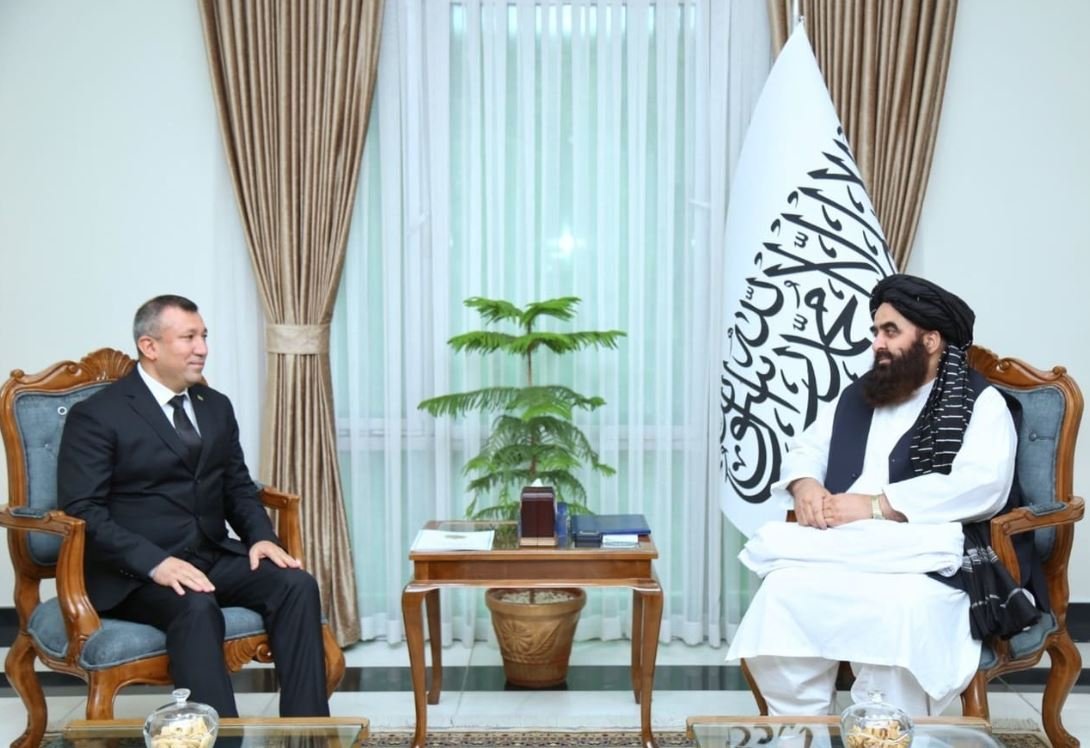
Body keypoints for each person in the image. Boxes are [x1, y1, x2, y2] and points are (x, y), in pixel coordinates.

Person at [726, 274, 1027, 716]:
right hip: (845, 543)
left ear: (930, 340)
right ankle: (800, 729)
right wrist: (805, 484)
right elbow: (808, 447)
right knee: (782, 592)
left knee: (899, 609)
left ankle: (885, 731)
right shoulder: (862, 394)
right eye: (876, 331)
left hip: (923, 555)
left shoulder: (980, 403)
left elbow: (984, 486)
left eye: (890, 331)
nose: (877, 344)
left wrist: (876, 506)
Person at [57, 294, 329, 718]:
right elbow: (83, 510)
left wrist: (261, 537)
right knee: (196, 605)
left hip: (209, 554)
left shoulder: (214, 406)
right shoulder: (97, 415)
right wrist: (156, 564)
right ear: (150, 346)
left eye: (204, 336)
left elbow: (237, 486)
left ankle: (307, 732)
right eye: (188, 338)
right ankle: (218, 739)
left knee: (296, 584)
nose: (202, 348)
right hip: (136, 573)